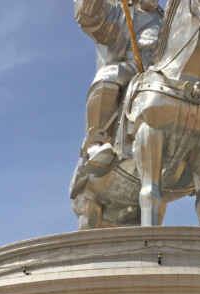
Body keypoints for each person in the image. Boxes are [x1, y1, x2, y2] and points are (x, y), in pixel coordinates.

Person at [73, 0, 163, 170]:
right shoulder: (120, 12)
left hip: (163, 71)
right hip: (131, 66)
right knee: (108, 76)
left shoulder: (166, 18)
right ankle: (96, 141)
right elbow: (89, 17)